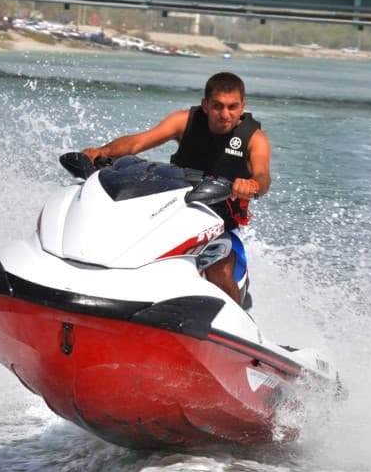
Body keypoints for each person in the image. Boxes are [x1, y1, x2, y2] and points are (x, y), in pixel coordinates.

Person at [82, 72, 271, 305]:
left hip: (221, 221)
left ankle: (235, 318)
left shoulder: (254, 139)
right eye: (217, 106)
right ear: (205, 105)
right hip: (175, 209)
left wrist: (252, 185)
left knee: (219, 269)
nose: (225, 114)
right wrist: (102, 152)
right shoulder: (184, 122)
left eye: (232, 107)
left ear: (242, 107)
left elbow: (263, 176)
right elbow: (138, 142)